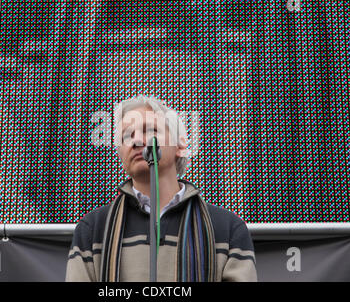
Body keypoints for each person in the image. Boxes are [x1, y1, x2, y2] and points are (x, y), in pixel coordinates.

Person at [65, 95, 257, 282]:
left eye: (150, 131)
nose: (137, 141)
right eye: (126, 136)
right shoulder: (93, 228)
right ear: (120, 155)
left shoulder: (227, 228)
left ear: (180, 146)